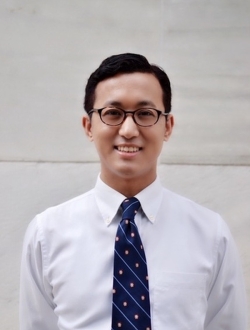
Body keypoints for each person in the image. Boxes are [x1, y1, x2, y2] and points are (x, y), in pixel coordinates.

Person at [20, 53, 247, 329]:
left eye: (145, 114)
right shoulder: (47, 234)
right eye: (113, 113)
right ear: (89, 126)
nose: (128, 130)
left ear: (168, 126)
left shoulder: (211, 234)